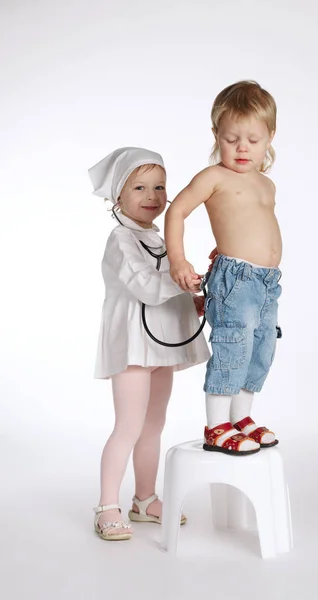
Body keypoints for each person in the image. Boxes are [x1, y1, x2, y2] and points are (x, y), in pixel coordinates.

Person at [88, 147, 210, 540]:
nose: (152, 196)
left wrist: (193, 296)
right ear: (117, 195)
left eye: (159, 187)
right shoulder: (121, 240)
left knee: (153, 425)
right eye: (139, 187)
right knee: (128, 425)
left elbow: (166, 289)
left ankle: (144, 500)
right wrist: (180, 278)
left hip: (161, 347)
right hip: (133, 348)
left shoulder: (159, 239)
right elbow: (143, 285)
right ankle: (108, 506)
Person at [165, 80, 282, 457]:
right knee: (232, 347)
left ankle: (241, 417)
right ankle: (216, 426)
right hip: (237, 282)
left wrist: (233, 241)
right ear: (217, 135)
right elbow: (177, 211)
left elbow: (248, 223)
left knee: (260, 349)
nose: (242, 147)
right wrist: (178, 260)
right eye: (232, 139)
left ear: (270, 137)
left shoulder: (266, 183)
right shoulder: (213, 177)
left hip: (267, 283)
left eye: (253, 138)